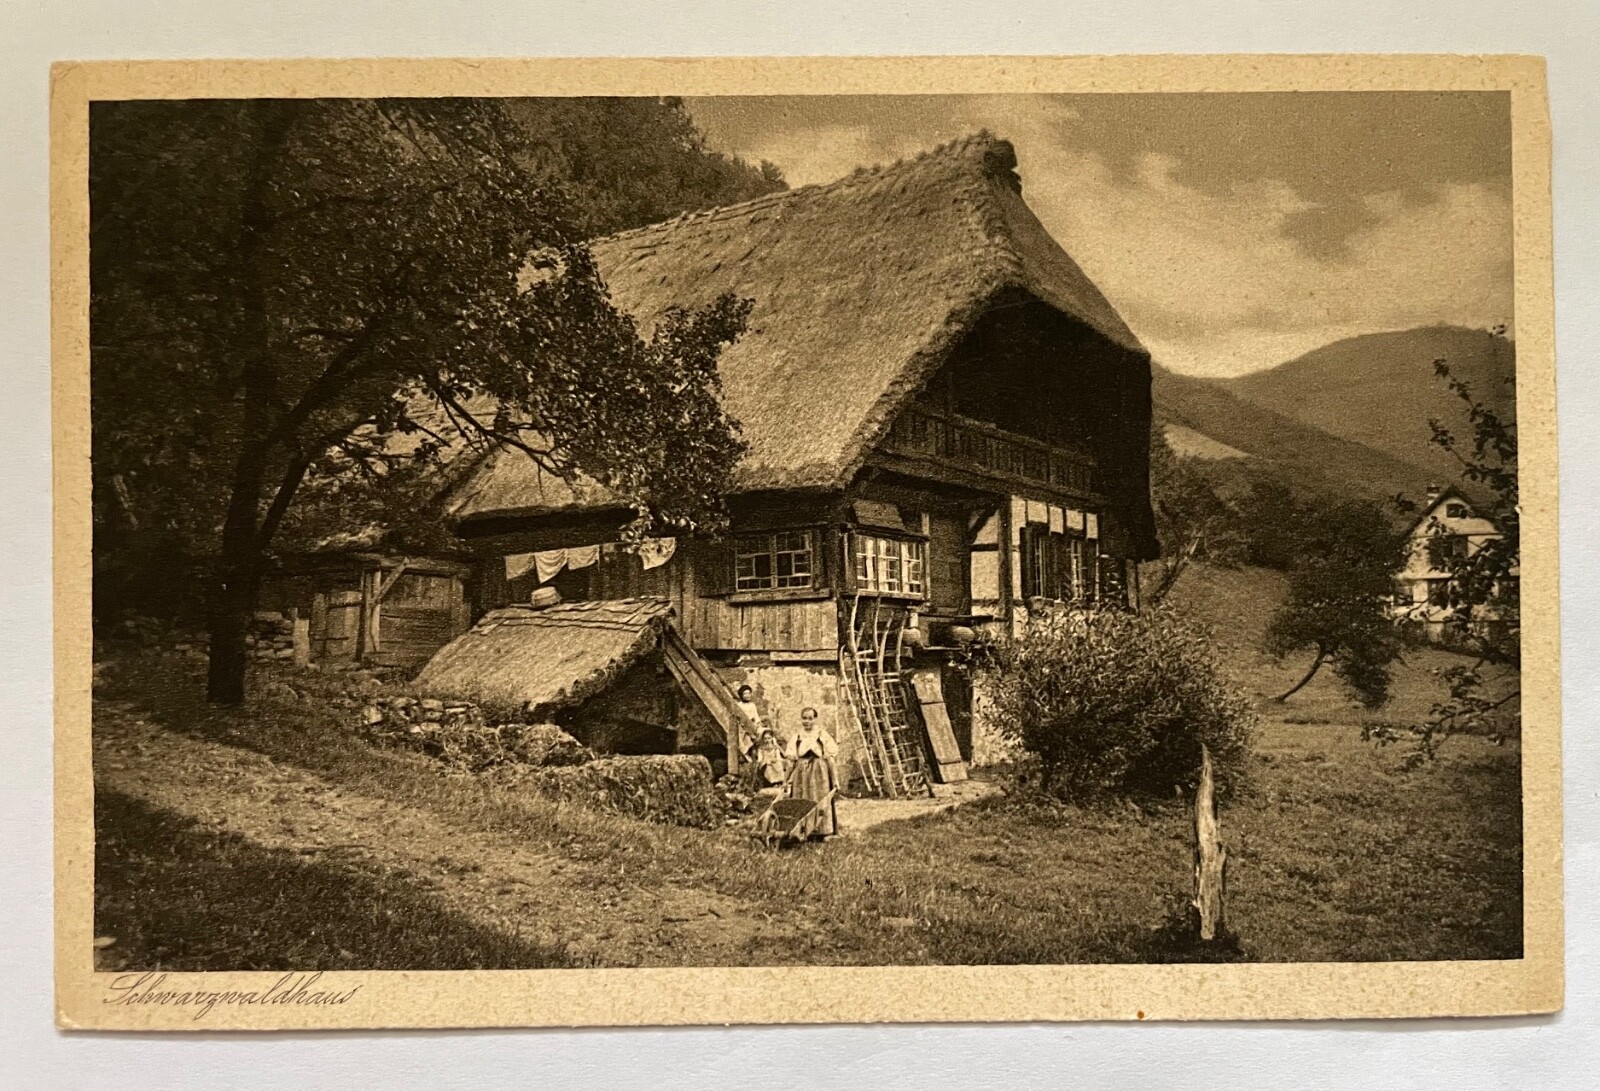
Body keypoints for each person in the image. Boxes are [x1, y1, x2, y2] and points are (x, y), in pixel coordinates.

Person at [783, 706, 840, 839]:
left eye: (810, 718)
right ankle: (801, 831)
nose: (807, 721)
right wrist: (785, 780)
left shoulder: (822, 735)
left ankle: (823, 831)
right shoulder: (797, 737)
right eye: (804, 718)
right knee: (801, 799)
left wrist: (835, 780)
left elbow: (830, 760)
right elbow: (791, 763)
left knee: (819, 799)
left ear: (815, 719)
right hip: (801, 774)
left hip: (819, 773)